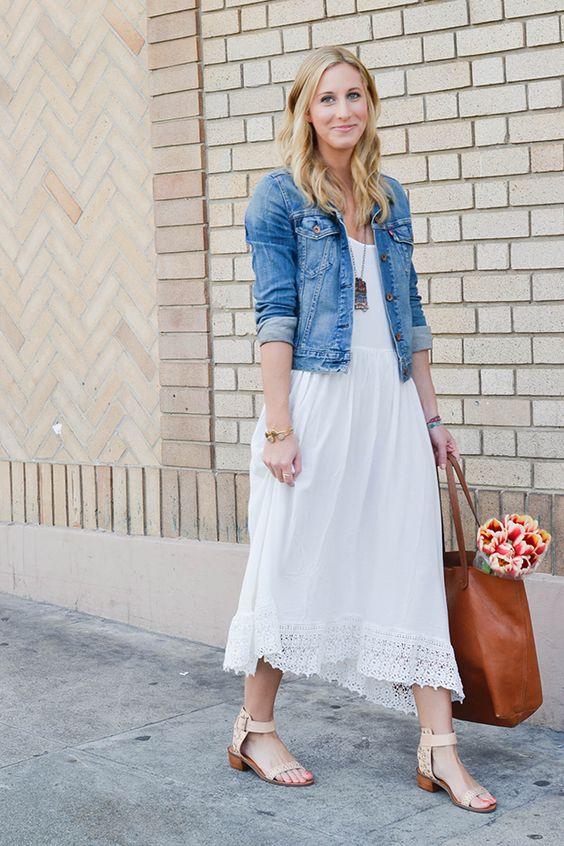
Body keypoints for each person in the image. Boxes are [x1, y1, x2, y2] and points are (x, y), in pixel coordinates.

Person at [222, 45, 496, 812]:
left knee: (408, 560)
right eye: (327, 99)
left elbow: (410, 323)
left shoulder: (390, 198)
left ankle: (440, 747)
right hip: (316, 402)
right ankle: (255, 725)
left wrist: (432, 419)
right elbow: (275, 318)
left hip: (390, 406)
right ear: (305, 112)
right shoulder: (280, 199)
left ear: (369, 105)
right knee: (290, 560)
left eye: (355, 96)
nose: (343, 111)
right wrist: (280, 428)